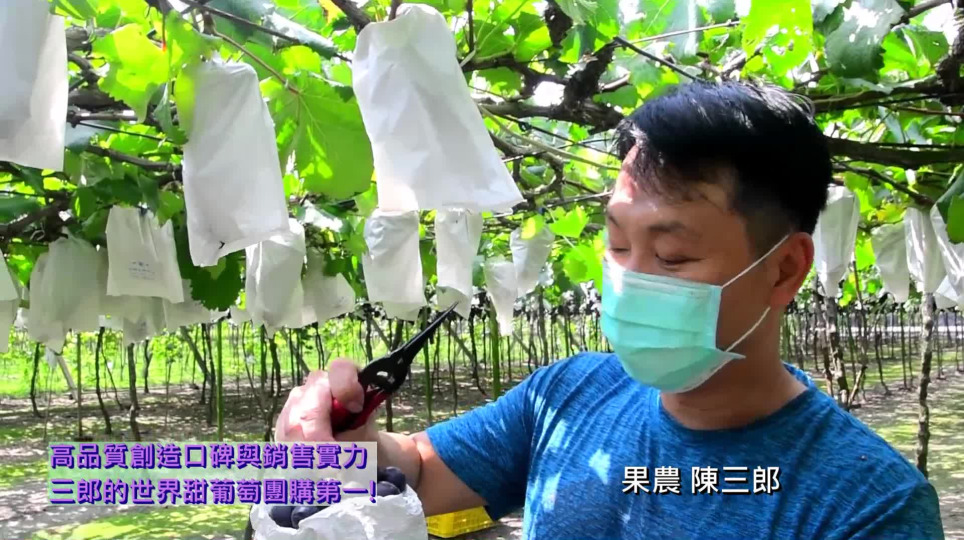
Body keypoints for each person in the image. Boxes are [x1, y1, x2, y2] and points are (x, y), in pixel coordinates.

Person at [275, 81, 945, 539]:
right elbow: (419, 467)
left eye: (673, 256)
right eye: (618, 245)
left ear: (785, 269)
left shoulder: (867, 505)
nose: (629, 279)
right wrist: (345, 445)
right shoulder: (569, 395)